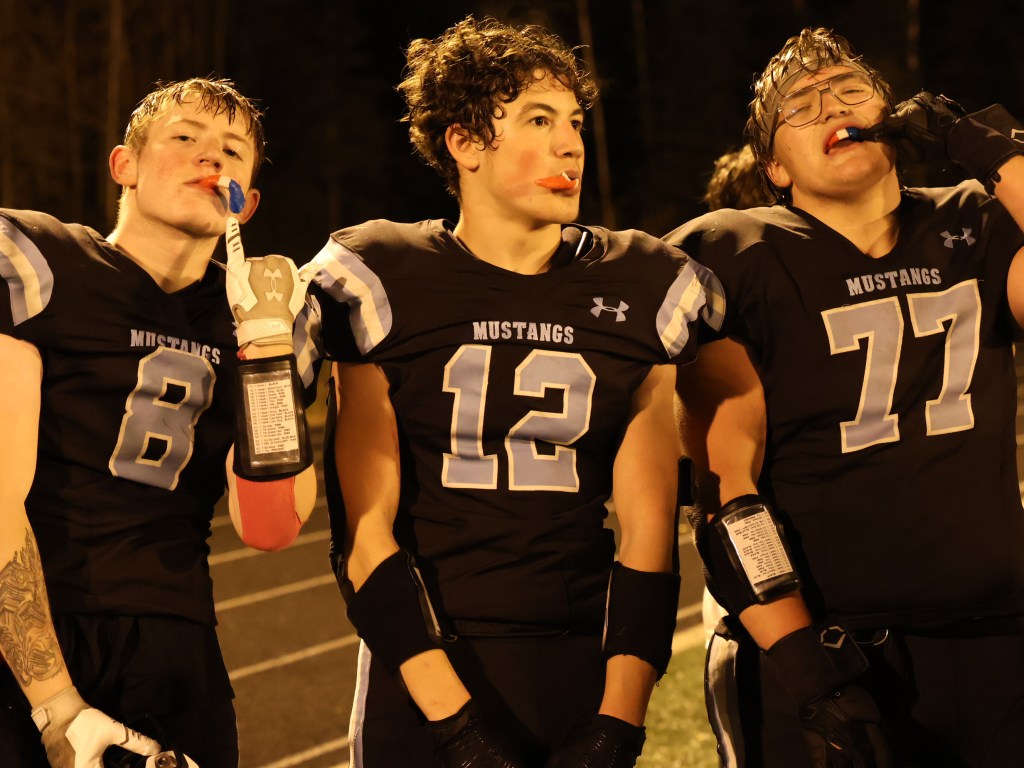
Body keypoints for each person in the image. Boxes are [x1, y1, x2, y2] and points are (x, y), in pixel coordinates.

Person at [301, 15, 723, 768]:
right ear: (465, 142)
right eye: (537, 119)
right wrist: (457, 729)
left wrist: (618, 722)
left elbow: (649, 535)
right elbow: (364, 536)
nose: (570, 145)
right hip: (425, 659)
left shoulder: (642, 285)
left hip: (579, 660)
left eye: (574, 123)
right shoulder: (381, 273)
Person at [666, 27, 1024, 768]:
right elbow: (727, 491)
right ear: (774, 167)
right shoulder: (739, 254)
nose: (832, 104)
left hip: (997, 635)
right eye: (800, 105)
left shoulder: (973, 221)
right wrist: (805, 667)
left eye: (852, 90)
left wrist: (993, 152)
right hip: (837, 646)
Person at [0, 77, 320, 768]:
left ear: (247, 201)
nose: (212, 157)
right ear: (126, 165)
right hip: (30, 631)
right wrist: (55, 702)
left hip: (175, 648)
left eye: (233, 150)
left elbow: (271, 528)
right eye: (185, 137)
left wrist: (266, 346)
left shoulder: (258, 316)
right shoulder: (42, 263)